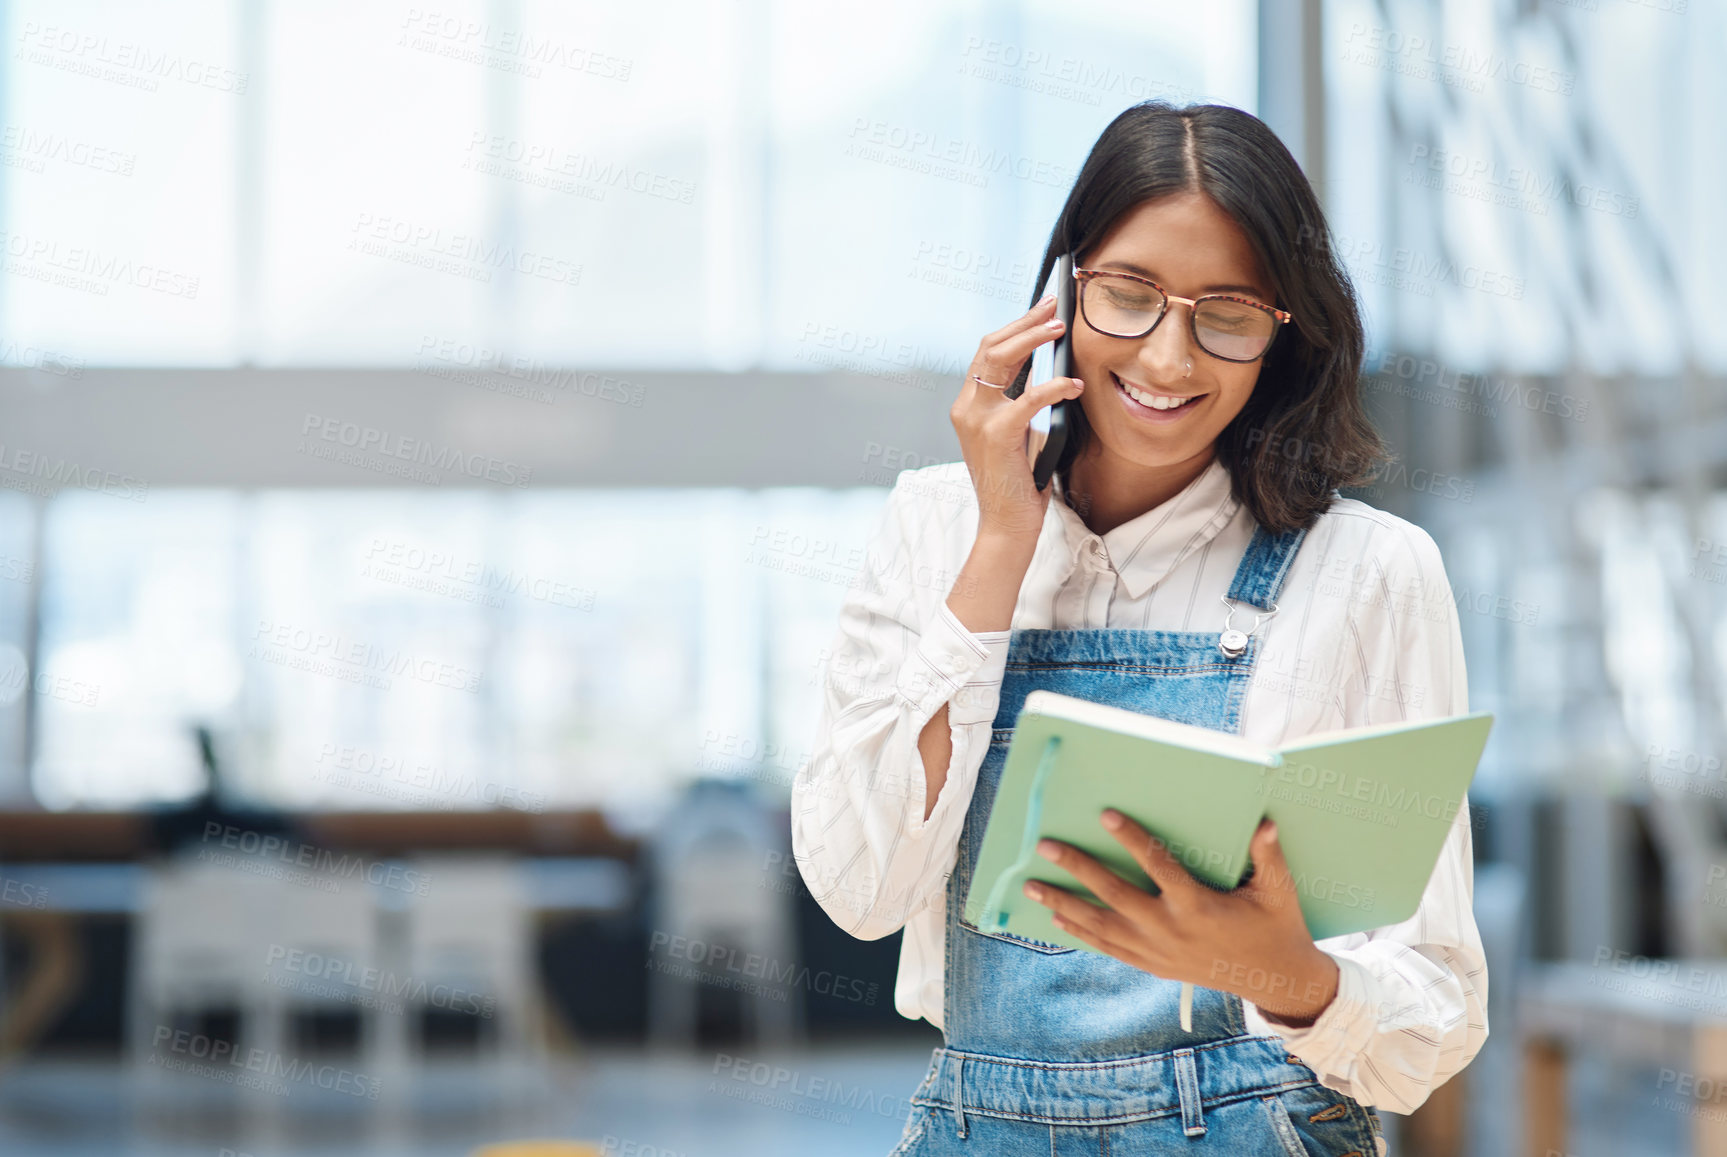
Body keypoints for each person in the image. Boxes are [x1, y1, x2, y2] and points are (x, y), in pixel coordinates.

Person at [790, 100, 1486, 1156]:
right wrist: (996, 550)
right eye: (1128, 296)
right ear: (1060, 293)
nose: (1167, 358)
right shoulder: (936, 522)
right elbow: (859, 890)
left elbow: (1435, 1011)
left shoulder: (1371, 570)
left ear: (1282, 333)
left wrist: (1282, 971)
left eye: (1228, 312)